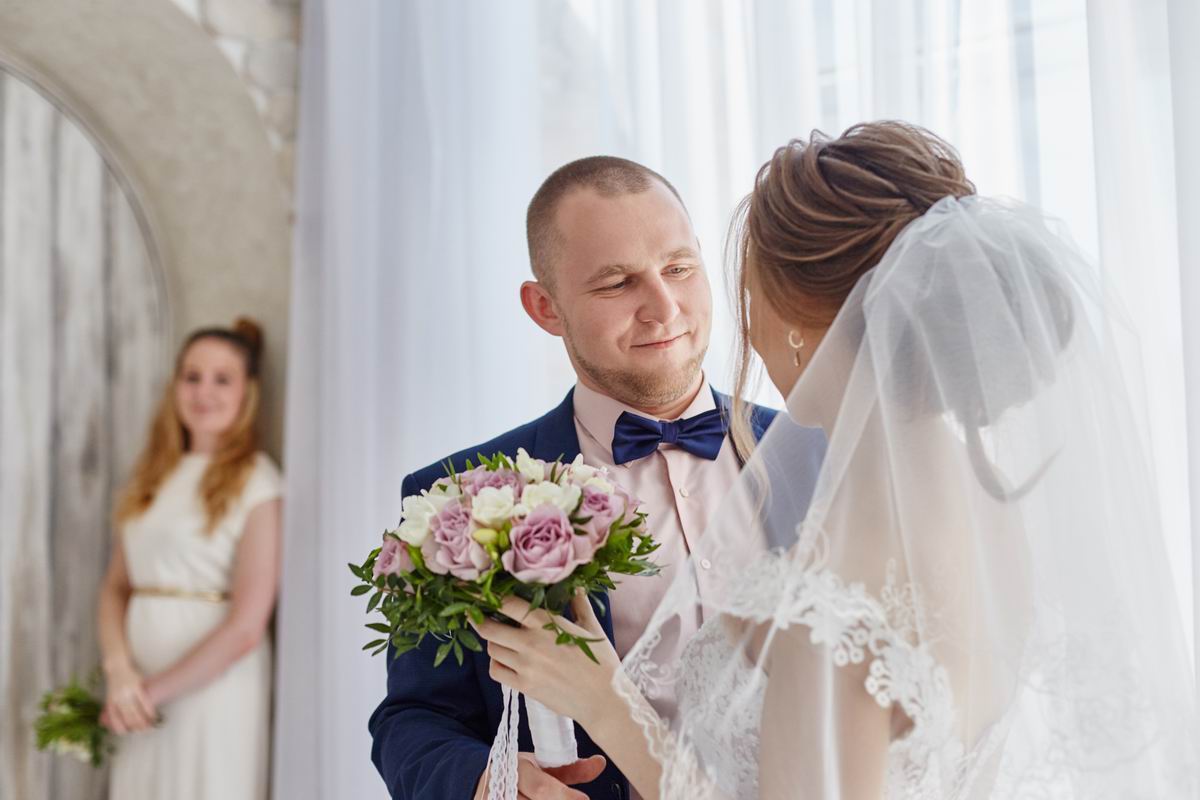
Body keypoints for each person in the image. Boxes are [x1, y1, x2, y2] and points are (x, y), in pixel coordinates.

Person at [475, 122, 1200, 798]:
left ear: (798, 320)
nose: (684, 311)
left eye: (725, 280)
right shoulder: (1000, 518)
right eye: (617, 282)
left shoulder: (827, 604)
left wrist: (605, 702)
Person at [368, 156, 826, 800]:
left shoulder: (822, 450)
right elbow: (413, 719)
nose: (664, 307)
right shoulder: (457, 495)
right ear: (544, 307)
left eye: (678, 269)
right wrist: (483, 782)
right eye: (617, 283)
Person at [97, 317, 284, 800]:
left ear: (248, 392)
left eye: (222, 379)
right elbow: (117, 586)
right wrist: (120, 674)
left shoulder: (257, 480)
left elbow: (247, 625)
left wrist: (151, 693)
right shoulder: (152, 476)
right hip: (133, 690)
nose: (204, 391)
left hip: (212, 692)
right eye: (192, 376)